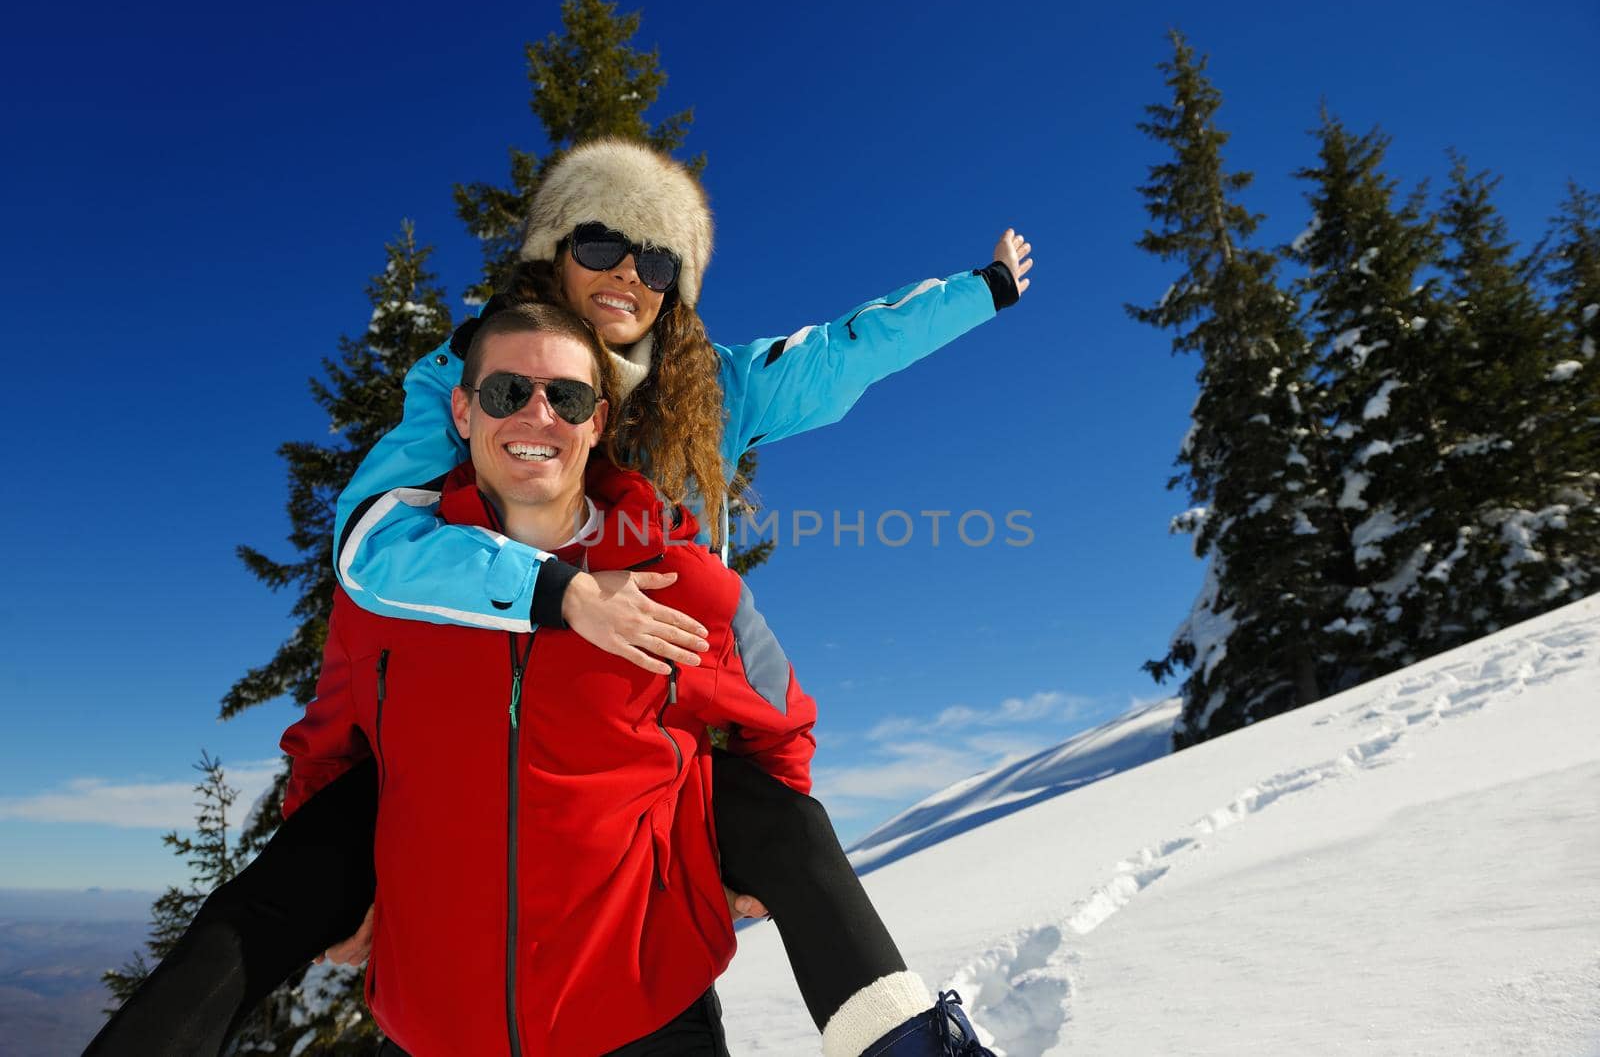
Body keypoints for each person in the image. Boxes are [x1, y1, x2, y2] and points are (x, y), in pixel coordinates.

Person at [87, 137, 1024, 1056]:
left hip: (649, 688)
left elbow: (846, 351)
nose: (627, 272)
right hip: (484, 664)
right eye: (600, 243)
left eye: (657, 259)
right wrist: (564, 590)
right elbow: (371, 551)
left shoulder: (710, 392)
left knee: (778, 815)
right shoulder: (475, 373)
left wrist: (978, 292)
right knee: (310, 865)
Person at [281, 302, 827, 1054]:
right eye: (508, 392)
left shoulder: (673, 581)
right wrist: (334, 893)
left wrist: (747, 863)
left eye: (565, 397)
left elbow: (780, 724)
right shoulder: (390, 594)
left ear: (597, 421)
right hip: (436, 1025)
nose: (537, 414)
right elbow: (327, 750)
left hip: (649, 1016)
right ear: (463, 411)